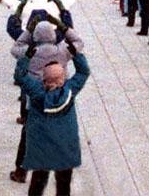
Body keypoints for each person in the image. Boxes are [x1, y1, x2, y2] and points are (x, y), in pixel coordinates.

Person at [12, 38, 91, 196]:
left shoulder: (36, 91)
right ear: (63, 78)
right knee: (63, 184)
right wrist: (76, 54)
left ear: (44, 78)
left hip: (42, 148)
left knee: (38, 182)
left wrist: (26, 58)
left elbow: (20, 76)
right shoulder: (70, 90)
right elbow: (83, 72)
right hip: (65, 147)